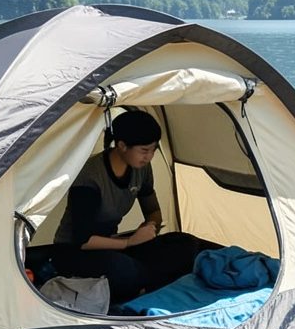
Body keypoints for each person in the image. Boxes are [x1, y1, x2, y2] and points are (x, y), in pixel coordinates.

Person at [27, 110, 218, 305]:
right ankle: (142, 283)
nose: (149, 156)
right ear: (122, 146)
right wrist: (129, 243)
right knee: (127, 272)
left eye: (153, 150)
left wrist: (150, 227)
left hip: (117, 244)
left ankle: (141, 285)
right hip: (76, 251)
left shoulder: (141, 169)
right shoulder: (90, 177)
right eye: (144, 150)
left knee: (186, 244)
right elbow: (83, 240)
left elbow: (153, 210)